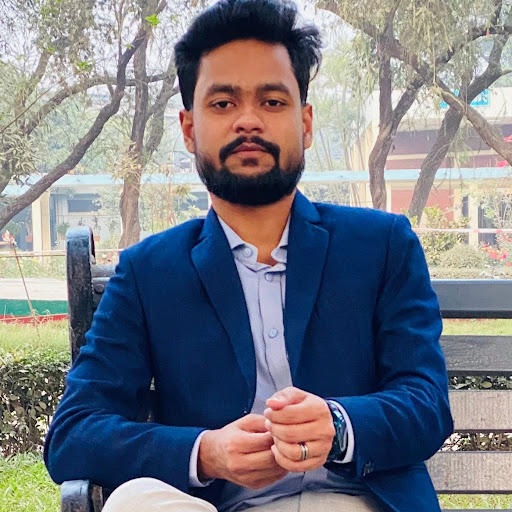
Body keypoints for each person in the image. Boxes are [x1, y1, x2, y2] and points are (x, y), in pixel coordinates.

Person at [44, 1, 453, 511]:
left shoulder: (382, 245)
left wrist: (339, 425)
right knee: (137, 502)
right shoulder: (148, 273)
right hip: (219, 506)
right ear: (189, 129)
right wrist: (205, 453)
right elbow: (74, 434)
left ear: (306, 123)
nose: (249, 121)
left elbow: (427, 402)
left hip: (361, 501)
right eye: (223, 103)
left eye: (273, 101)